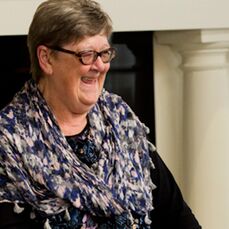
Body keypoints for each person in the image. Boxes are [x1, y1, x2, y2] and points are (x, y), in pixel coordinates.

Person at [0, 0, 201, 228]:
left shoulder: (121, 123)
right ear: (46, 58)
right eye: (86, 54)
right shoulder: (9, 144)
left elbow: (178, 217)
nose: (100, 65)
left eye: (104, 53)